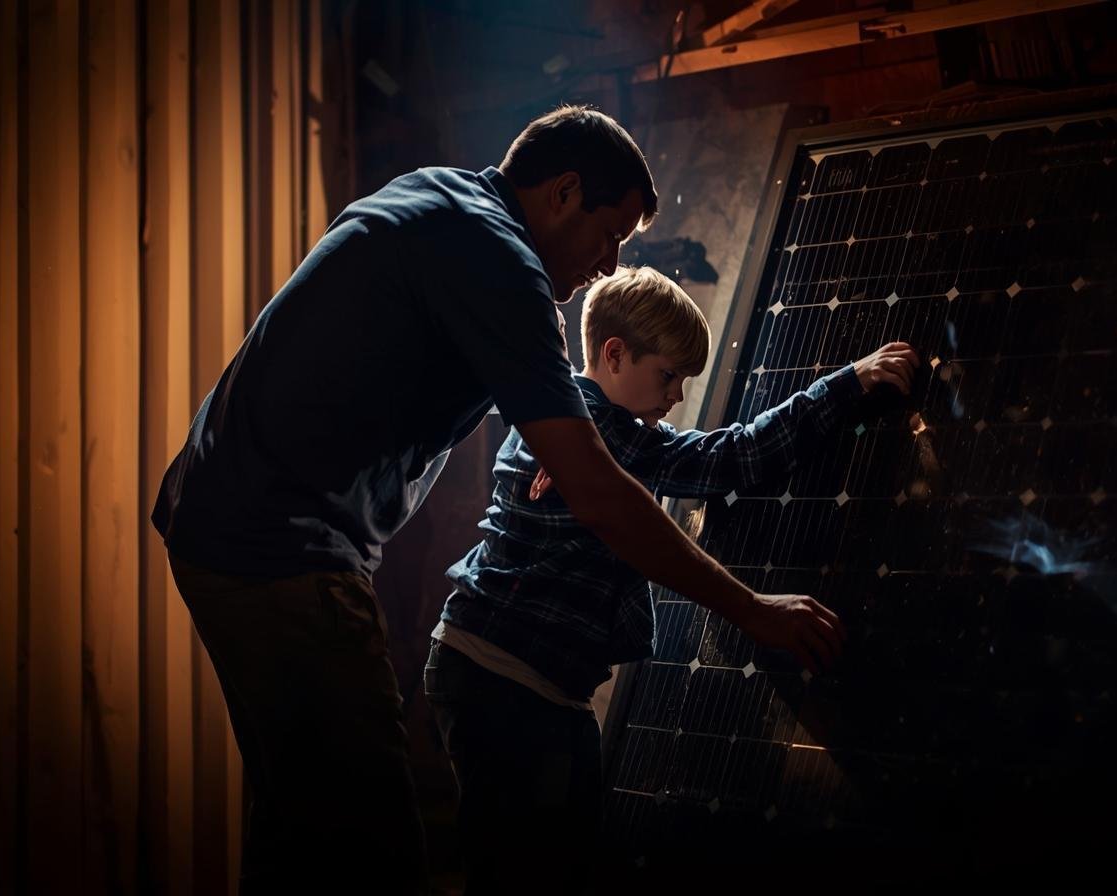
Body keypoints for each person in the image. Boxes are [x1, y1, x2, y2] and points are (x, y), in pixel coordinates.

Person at [150, 106, 849, 894]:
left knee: (302, 825)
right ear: (562, 193)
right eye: (608, 233)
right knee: (370, 846)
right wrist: (752, 610)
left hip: (215, 515)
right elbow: (597, 493)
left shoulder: (440, 198)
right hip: (280, 545)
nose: (609, 264)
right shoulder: (498, 260)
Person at [423, 264, 919, 893]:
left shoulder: (569, 418)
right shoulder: (602, 433)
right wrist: (846, 385)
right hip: (503, 677)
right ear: (613, 354)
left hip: (524, 679)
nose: (676, 397)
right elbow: (732, 456)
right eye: (668, 376)